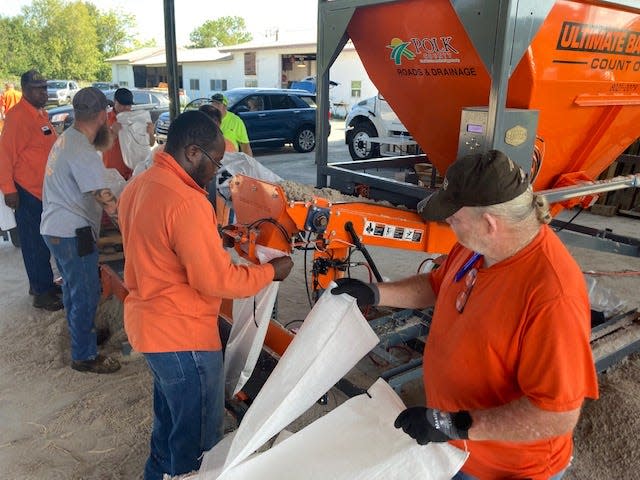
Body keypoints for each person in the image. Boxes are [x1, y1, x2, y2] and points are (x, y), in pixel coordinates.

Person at [331, 150, 599, 480]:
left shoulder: (552, 296)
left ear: (490, 223)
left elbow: (555, 415)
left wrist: (453, 424)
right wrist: (376, 293)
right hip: (459, 449)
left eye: (454, 217)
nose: (448, 223)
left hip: (506, 469)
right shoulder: (477, 246)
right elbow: (438, 284)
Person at [118, 110, 293, 479]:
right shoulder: (186, 201)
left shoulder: (140, 184)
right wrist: (270, 272)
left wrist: (206, 242)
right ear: (193, 152)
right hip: (183, 339)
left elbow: (156, 249)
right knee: (198, 445)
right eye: (215, 160)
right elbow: (216, 281)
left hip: (149, 328)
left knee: (168, 426)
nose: (217, 170)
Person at [40, 86, 122, 374]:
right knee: (86, 292)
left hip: (56, 229)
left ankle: (81, 336)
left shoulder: (67, 138)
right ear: (102, 115)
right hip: (72, 233)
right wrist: (127, 220)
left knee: (74, 292)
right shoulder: (83, 150)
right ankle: (84, 356)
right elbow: (102, 195)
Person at [0, 70, 62, 311]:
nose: (44, 93)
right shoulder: (18, 118)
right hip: (26, 192)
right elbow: (5, 157)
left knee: (43, 242)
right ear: (24, 90)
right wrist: (8, 190)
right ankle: (41, 293)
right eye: (38, 89)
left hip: (44, 191)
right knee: (33, 243)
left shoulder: (40, 115)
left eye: (45, 88)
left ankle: (43, 283)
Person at [103, 87, 154, 180]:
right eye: (122, 105)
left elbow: (151, 144)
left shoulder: (137, 119)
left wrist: (150, 133)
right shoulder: (104, 119)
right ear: (115, 101)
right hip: (112, 173)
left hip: (134, 172)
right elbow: (98, 148)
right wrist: (113, 133)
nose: (126, 108)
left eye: (129, 105)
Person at [210, 92, 253, 157]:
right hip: (213, 161)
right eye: (213, 104)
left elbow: (245, 145)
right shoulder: (208, 118)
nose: (215, 107)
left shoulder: (236, 121)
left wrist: (250, 163)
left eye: (218, 104)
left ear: (225, 106)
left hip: (231, 160)